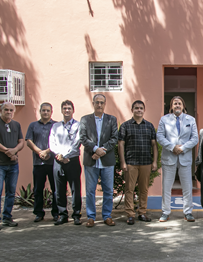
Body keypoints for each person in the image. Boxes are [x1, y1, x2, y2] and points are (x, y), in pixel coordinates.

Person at [157, 96, 198, 222]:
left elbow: (195, 138)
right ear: (171, 106)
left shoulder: (191, 120)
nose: (177, 106)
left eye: (179, 103)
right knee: (167, 186)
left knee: (187, 186)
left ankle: (188, 212)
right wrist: (172, 147)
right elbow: (159, 136)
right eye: (175, 104)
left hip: (184, 158)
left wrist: (182, 148)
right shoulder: (164, 119)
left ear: (183, 106)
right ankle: (165, 212)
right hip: (169, 157)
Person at [80, 94, 118, 227]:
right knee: (90, 190)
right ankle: (91, 217)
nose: (99, 105)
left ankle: (107, 216)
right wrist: (96, 149)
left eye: (102, 102)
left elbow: (114, 138)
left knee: (108, 190)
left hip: (107, 161)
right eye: (97, 102)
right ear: (93, 103)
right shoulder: (85, 120)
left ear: (105, 104)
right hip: (91, 161)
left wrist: (101, 151)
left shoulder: (111, 119)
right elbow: (83, 138)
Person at [118, 100, 158, 225]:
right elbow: (121, 144)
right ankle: (130, 214)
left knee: (144, 189)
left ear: (144, 110)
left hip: (146, 162)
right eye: (136, 108)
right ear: (132, 110)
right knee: (129, 189)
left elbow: (154, 145)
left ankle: (142, 212)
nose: (139, 110)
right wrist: (123, 162)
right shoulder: (125, 126)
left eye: (141, 108)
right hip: (131, 162)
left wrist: (155, 161)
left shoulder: (149, 125)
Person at [0, 102, 25, 231]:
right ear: (1, 110)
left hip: (13, 165)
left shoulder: (16, 125)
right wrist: (8, 151)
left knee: (11, 192)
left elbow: (21, 142)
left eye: (11, 110)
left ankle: (7, 217)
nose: (9, 112)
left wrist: (14, 151)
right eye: (6, 110)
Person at [49, 100, 82, 225]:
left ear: (73, 110)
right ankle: (62, 215)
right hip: (58, 161)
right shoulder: (55, 126)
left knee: (75, 189)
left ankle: (76, 214)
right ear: (61, 110)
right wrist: (60, 156)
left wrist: (67, 156)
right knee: (59, 189)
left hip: (72, 161)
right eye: (64, 108)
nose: (67, 110)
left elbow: (77, 142)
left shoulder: (78, 125)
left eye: (69, 108)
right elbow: (52, 143)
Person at [26, 103, 58, 222]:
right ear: (40, 111)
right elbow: (29, 141)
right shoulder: (33, 125)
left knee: (55, 189)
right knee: (38, 189)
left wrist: (47, 152)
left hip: (52, 162)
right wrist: (40, 152)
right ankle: (39, 213)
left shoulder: (56, 125)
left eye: (48, 110)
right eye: (43, 110)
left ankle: (56, 213)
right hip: (38, 163)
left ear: (51, 112)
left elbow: (58, 142)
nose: (45, 112)